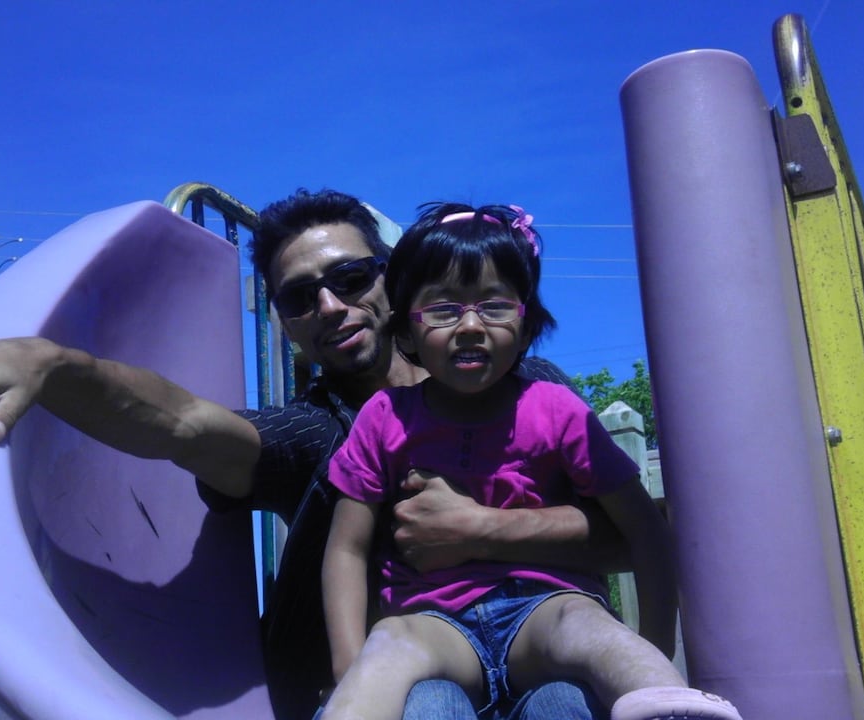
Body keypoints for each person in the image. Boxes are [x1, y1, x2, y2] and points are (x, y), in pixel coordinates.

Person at [0, 189, 625, 719]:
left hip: (539, 664)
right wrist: (57, 366)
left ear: (394, 280)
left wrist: (484, 528)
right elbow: (184, 423)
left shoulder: (534, 392)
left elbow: (636, 533)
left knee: (565, 702)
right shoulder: (319, 435)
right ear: (286, 323)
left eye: (350, 278)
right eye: (299, 297)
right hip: (398, 692)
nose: (329, 306)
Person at [318, 203, 742, 720]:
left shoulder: (557, 410)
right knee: (390, 639)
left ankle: (667, 703)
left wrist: (654, 645)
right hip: (435, 624)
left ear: (525, 325)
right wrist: (348, 667)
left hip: (541, 613)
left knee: (581, 622)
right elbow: (347, 548)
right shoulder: (385, 417)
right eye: (444, 309)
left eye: (494, 306)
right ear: (405, 331)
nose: (470, 325)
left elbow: (645, 529)